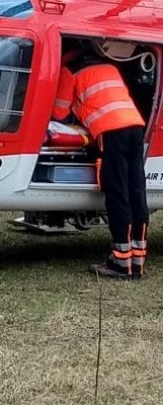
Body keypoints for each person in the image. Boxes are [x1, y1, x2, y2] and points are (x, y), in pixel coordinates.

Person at [53, 44, 148, 280]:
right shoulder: (109, 66)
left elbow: (59, 113)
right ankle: (137, 262)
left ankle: (120, 263)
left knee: (117, 194)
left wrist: (76, 106)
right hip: (136, 127)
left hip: (110, 131)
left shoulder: (70, 70)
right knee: (136, 191)